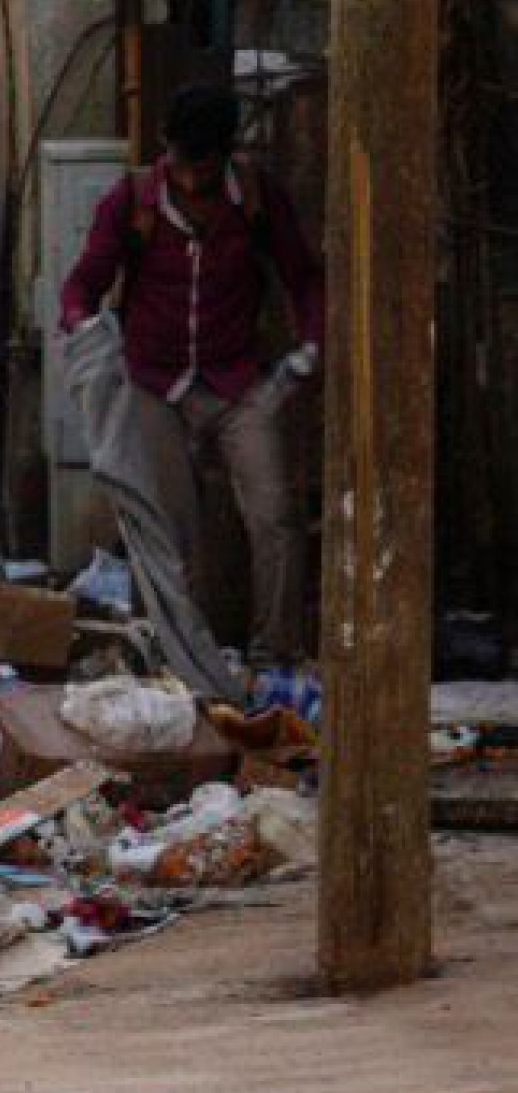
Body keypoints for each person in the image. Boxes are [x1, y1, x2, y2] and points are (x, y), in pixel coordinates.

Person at [59, 83, 322, 666]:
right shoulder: (131, 201)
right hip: (154, 382)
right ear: (166, 148)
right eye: (182, 161)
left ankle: (274, 655)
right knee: (167, 530)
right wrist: (82, 328)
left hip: (237, 381)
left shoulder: (256, 198)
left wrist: (309, 347)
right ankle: (176, 659)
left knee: (275, 515)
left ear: (225, 154)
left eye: (204, 164)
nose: (191, 177)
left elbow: (304, 276)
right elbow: (83, 283)